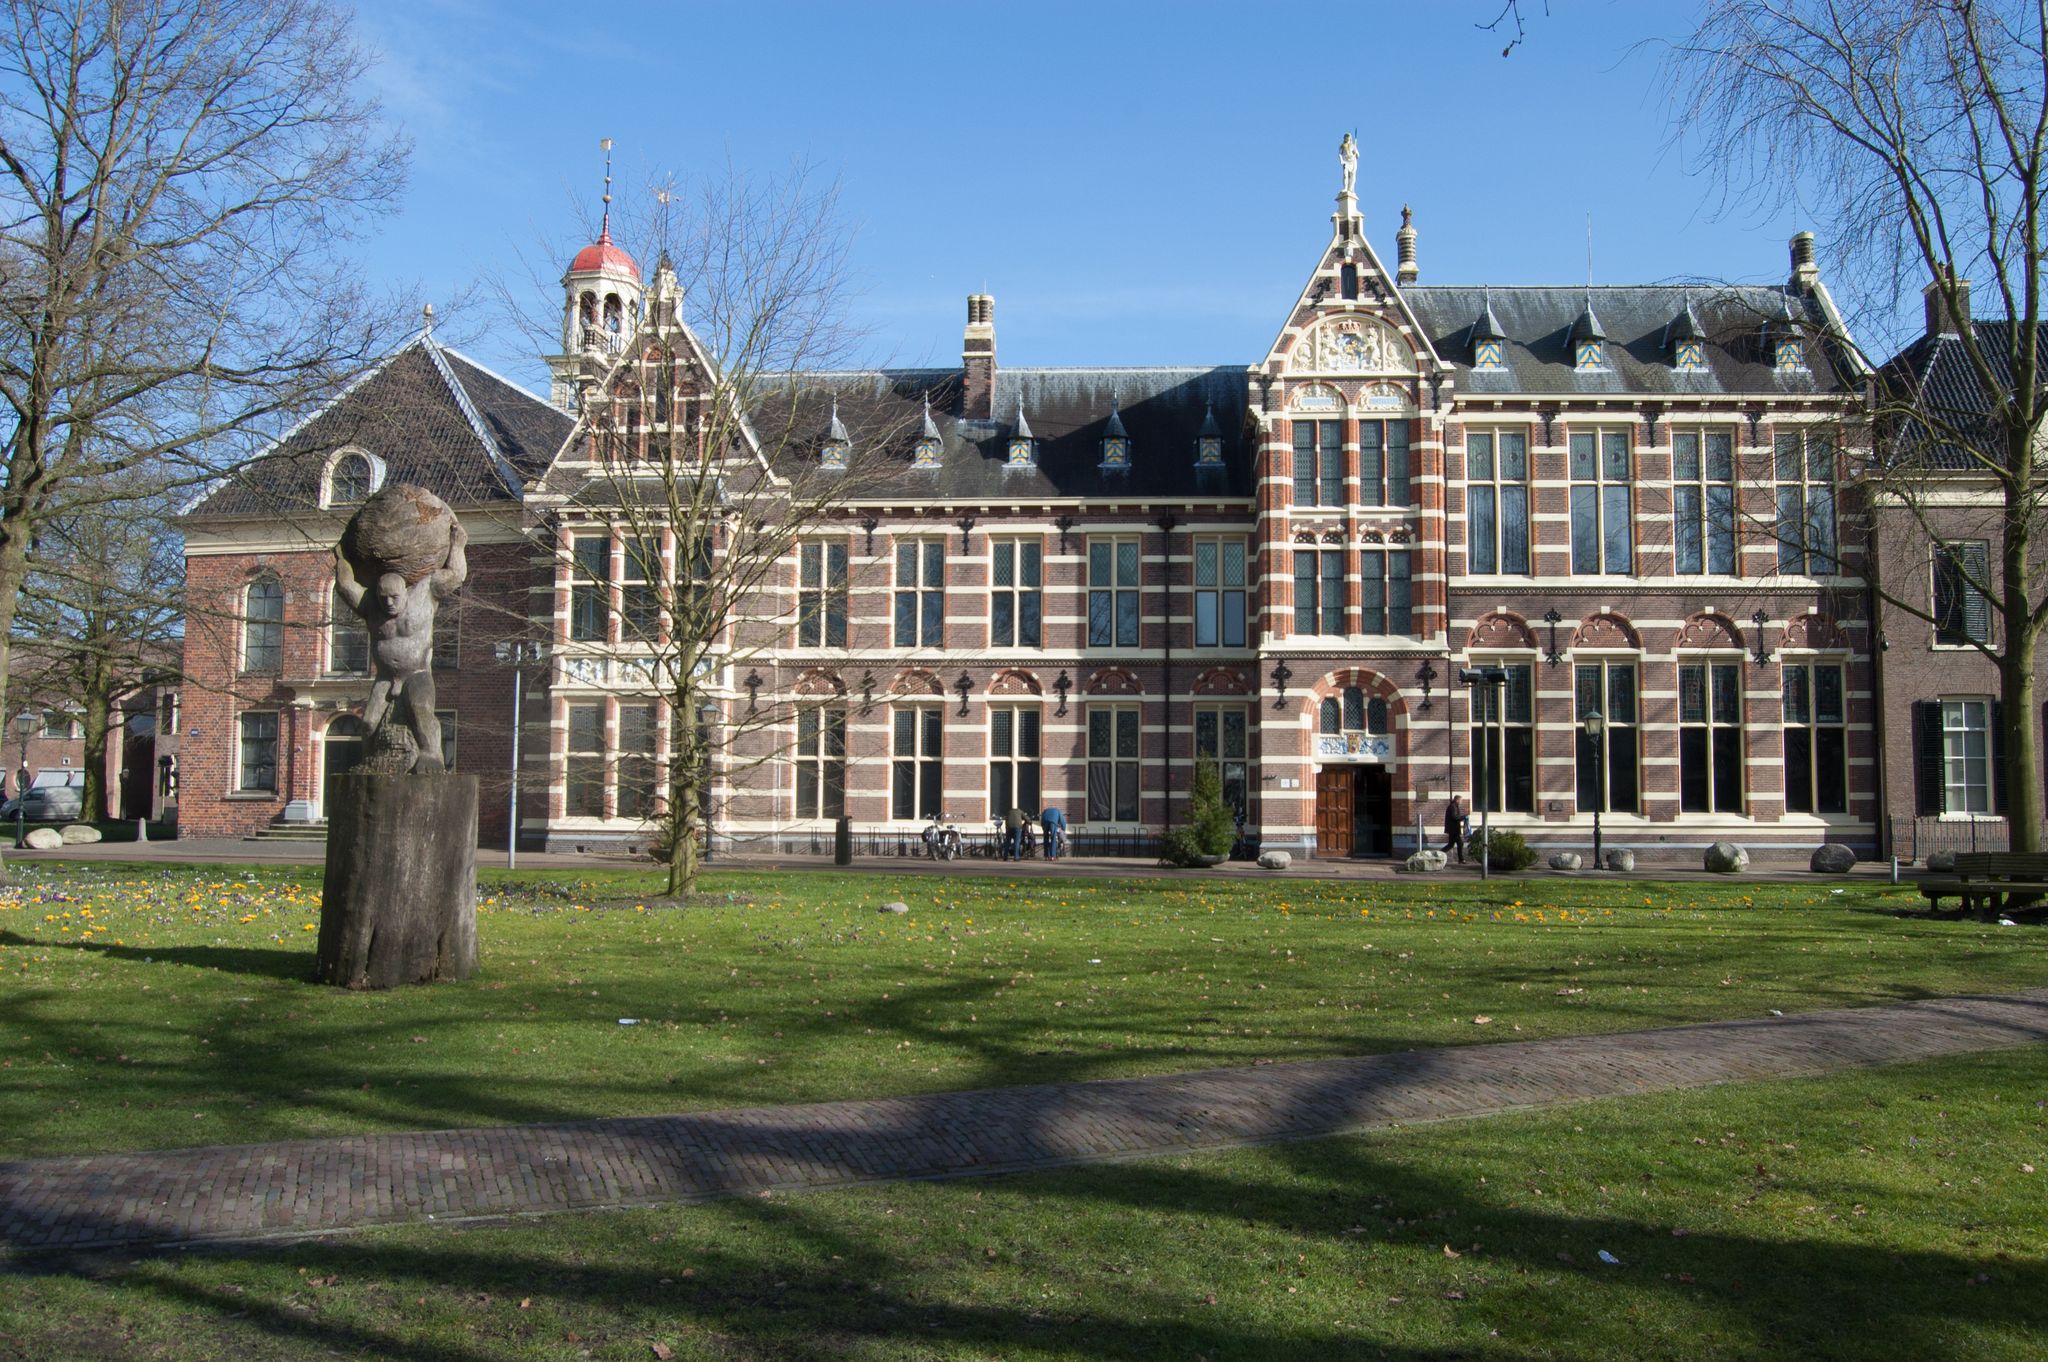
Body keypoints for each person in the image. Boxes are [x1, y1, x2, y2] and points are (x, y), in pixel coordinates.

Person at [1444, 793, 1467, 865]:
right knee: (1460, 843)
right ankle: (1461, 859)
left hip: (1453, 829)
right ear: (1457, 800)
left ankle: (1438, 853)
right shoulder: (1453, 807)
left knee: (1450, 845)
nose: (1461, 802)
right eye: (1460, 800)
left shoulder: (1454, 806)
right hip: (1453, 829)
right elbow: (1454, 817)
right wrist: (1463, 817)